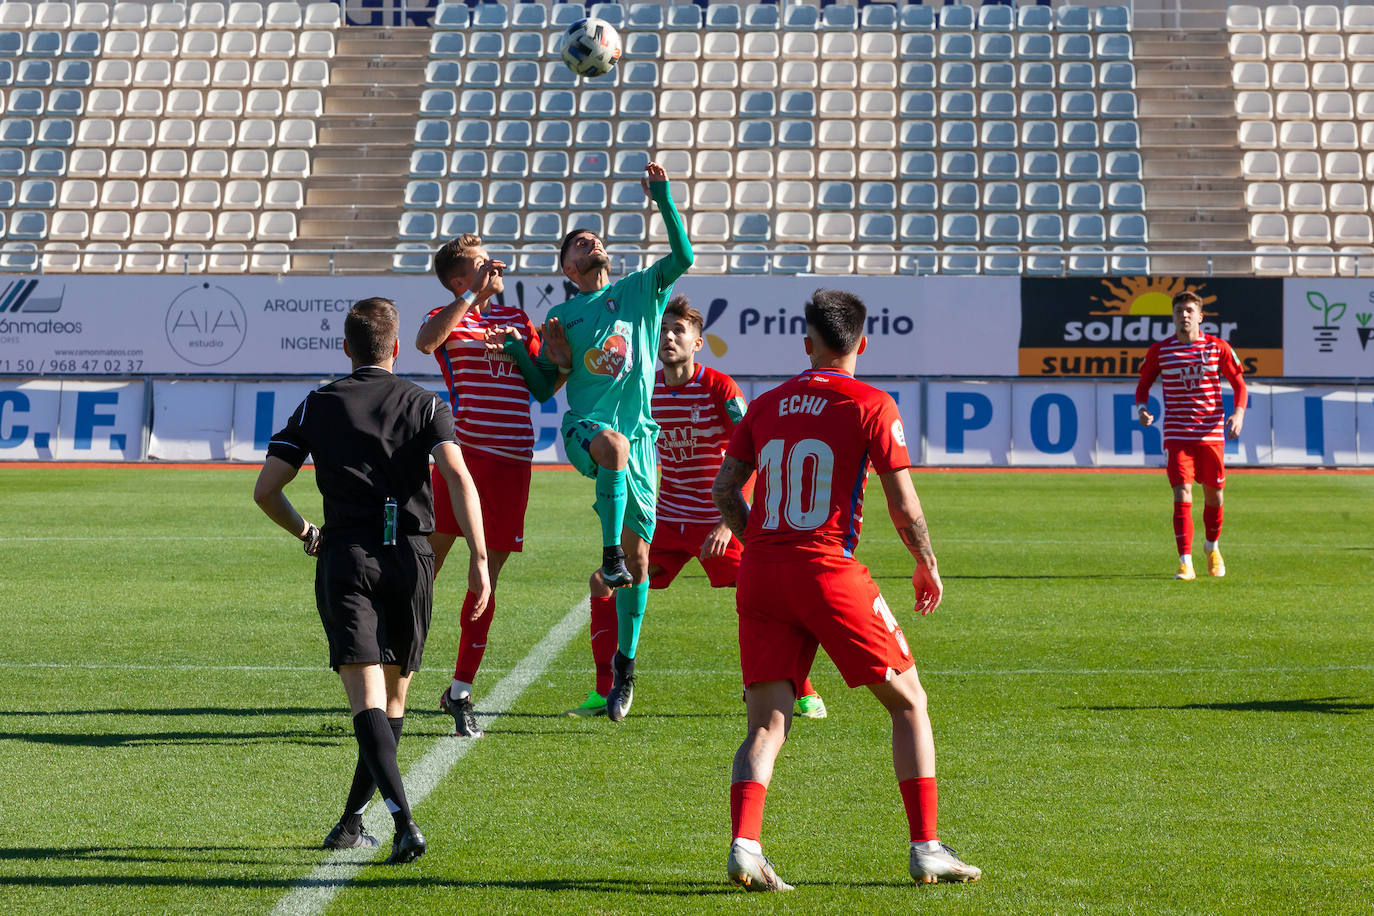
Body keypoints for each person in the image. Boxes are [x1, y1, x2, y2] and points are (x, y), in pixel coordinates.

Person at [712, 289, 980, 891]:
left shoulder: (769, 403)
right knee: (909, 702)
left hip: (761, 571)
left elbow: (726, 492)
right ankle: (926, 846)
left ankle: (746, 845)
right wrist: (925, 562)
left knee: (766, 724)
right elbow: (904, 504)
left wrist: (761, 544)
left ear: (806, 343)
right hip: (826, 569)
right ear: (862, 343)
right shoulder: (872, 403)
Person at [253, 297, 490, 864]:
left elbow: (266, 491)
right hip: (412, 559)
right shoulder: (425, 402)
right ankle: (352, 821)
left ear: (346, 349)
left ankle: (403, 821)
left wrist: (308, 531)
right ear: (396, 347)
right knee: (393, 701)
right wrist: (480, 559)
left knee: (366, 702)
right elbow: (457, 474)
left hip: (347, 554)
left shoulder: (319, 404)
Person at [564, 297, 826, 720]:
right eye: (663, 330)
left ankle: (804, 691)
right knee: (605, 583)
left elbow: (755, 452)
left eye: (678, 331)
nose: (668, 337)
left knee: (767, 593)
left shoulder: (720, 388)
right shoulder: (643, 389)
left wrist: (729, 520)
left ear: (697, 343)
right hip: (665, 519)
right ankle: (604, 691)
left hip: (715, 520)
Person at [520, 161, 693, 722]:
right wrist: (525, 353)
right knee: (612, 446)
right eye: (578, 243)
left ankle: (625, 669)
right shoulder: (563, 316)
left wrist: (662, 197)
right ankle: (608, 555)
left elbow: (684, 257)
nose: (590, 242)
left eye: (595, 238)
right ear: (568, 267)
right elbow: (548, 387)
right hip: (585, 431)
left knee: (643, 562)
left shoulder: (640, 290)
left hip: (641, 444)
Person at [416, 234, 541, 738]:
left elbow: (541, 381)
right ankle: (391, 667)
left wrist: (549, 350)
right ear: (459, 279)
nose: (496, 263)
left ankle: (460, 690)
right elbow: (426, 342)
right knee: (426, 567)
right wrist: (469, 299)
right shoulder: (448, 315)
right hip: (462, 463)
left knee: (484, 582)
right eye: (481, 260)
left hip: (514, 465)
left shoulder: (517, 319)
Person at [1135, 289, 1248, 580]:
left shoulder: (1217, 347)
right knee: (1181, 493)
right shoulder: (1161, 351)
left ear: (1200, 316)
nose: (1184, 315)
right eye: (1178, 311)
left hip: (1211, 432)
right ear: (1173, 317)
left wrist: (1238, 413)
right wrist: (1142, 408)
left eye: (1189, 311)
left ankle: (1211, 548)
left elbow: (1239, 384)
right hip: (1177, 433)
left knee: (1215, 495)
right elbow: (1143, 385)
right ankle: (1185, 561)